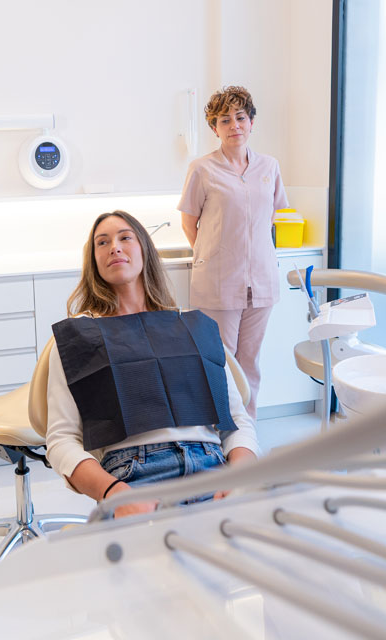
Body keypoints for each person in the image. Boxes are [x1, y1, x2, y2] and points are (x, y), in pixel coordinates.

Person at [44, 210, 259, 519]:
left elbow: (237, 421)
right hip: (135, 478)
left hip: (213, 469)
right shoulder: (79, 337)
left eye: (125, 237)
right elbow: (61, 441)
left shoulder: (193, 326)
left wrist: (240, 477)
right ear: (93, 261)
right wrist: (114, 493)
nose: (114, 247)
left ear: (144, 248)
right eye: (102, 242)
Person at [178, 86, 289, 418]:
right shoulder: (202, 169)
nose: (234, 126)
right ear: (215, 128)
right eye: (224, 120)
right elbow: (189, 223)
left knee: (249, 360)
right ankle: (222, 426)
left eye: (240, 117)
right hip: (219, 280)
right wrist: (214, 258)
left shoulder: (269, 166)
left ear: (251, 122)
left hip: (262, 280)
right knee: (220, 359)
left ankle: (247, 425)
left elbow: (271, 216)